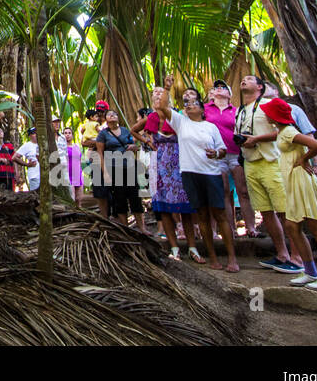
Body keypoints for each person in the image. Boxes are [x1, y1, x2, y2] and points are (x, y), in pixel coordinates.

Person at [261, 97, 317, 291]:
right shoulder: (281, 131)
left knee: (316, 226)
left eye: (267, 112)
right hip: (293, 182)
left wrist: (305, 159)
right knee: (291, 226)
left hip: (302, 181)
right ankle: (310, 272)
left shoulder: (288, 131)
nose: (264, 114)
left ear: (274, 116)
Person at [234, 75, 303, 274]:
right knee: (265, 212)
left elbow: (286, 129)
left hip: (271, 162)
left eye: (249, 79)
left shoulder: (268, 105)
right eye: (243, 79)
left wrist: (257, 138)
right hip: (250, 163)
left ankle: (297, 257)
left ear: (260, 87)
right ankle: (282, 254)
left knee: (284, 211)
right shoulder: (240, 110)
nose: (243, 80)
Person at [170, 94, 240, 272]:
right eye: (187, 104)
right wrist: (168, 87)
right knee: (201, 215)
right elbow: (162, 106)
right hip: (190, 173)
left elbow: (222, 150)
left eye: (194, 103)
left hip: (211, 172)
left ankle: (232, 257)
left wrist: (216, 154)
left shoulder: (211, 127)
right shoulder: (180, 122)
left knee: (219, 214)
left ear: (202, 110)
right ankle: (213, 257)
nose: (190, 105)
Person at [137, 86, 197, 260]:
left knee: (185, 206)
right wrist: (147, 141)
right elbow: (135, 129)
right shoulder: (151, 118)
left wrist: (168, 87)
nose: (157, 98)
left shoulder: (178, 116)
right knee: (163, 206)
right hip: (159, 164)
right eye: (154, 96)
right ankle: (174, 248)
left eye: (160, 95)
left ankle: (192, 247)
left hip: (179, 162)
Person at [204, 80, 257, 237]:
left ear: (229, 94)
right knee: (225, 191)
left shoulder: (237, 111)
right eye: (216, 87)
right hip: (216, 155)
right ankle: (230, 229)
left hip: (235, 153)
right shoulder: (205, 109)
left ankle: (251, 227)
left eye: (223, 87)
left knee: (243, 190)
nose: (219, 89)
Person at [94, 108, 147, 231]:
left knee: (135, 196)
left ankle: (142, 227)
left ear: (118, 118)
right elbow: (100, 153)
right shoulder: (103, 134)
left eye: (114, 114)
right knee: (120, 197)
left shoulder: (124, 130)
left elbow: (133, 145)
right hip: (114, 168)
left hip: (129, 166)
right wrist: (105, 172)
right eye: (109, 115)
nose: (112, 116)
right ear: (106, 120)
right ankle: (126, 228)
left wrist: (134, 147)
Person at [15, 127, 41, 191]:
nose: (36, 135)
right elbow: (14, 157)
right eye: (33, 133)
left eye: (36, 133)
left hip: (44, 175)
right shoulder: (27, 146)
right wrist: (27, 164)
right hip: (34, 175)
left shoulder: (42, 144)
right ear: (30, 136)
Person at [0, 126, 16, 191]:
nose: (0, 132)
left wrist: (16, 172)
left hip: (9, 174)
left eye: (1, 131)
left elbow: (14, 159)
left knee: (11, 193)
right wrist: (0, 159)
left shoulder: (9, 146)